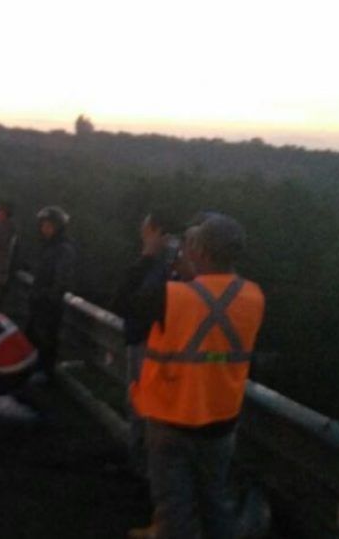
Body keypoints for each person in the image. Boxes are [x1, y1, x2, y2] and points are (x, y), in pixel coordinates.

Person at [128, 213, 266, 539]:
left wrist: (149, 254)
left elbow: (126, 307)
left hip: (170, 417)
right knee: (214, 501)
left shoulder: (173, 294)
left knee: (174, 508)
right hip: (221, 422)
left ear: (202, 253)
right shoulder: (254, 297)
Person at [112, 211, 181, 475]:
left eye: (145, 225)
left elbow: (129, 302)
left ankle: (144, 467)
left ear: (155, 230)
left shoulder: (162, 265)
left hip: (150, 345)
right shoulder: (160, 264)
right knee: (138, 404)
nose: (141, 229)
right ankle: (137, 460)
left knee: (144, 407)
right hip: (143, 340)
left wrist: (147, 257)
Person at [25, 206, 76, 380]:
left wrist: (48, 296)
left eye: (49, 226)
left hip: (49, 304)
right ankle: (31, 370)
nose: (44, 229)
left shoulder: (63, 249)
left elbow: (61, 279)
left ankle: (44, 373)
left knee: (47, 339)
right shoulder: (48, 246)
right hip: (38, 300)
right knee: (32, 337)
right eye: (43, 225)